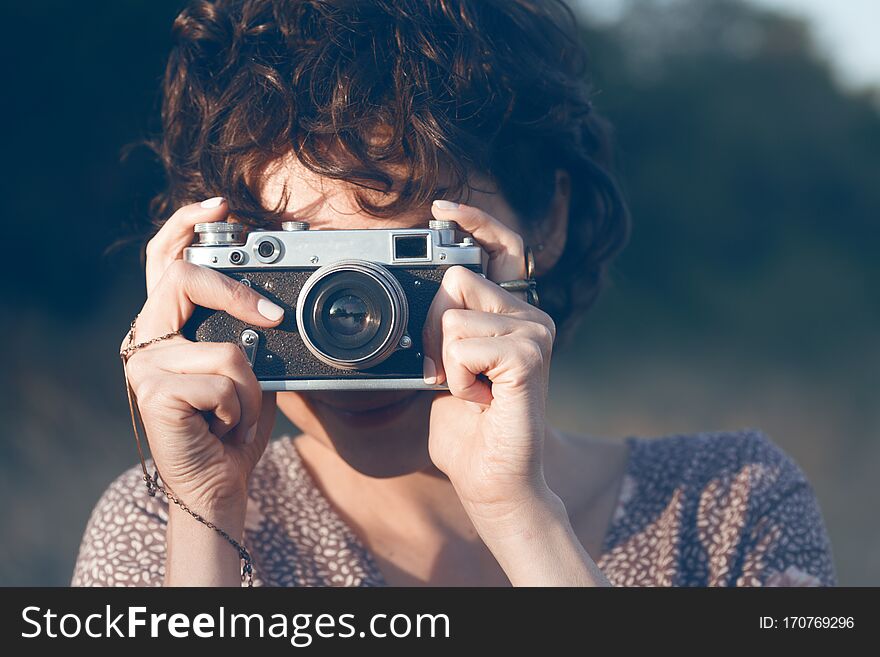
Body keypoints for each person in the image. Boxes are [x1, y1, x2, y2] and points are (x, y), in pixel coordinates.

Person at [71, 0, 836, 587]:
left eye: (405, 257)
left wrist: (521, 517)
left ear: (548, 219)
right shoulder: (163, 522)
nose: (353, 324)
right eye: (295, 262)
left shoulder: (732, 505)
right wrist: (204, 517)